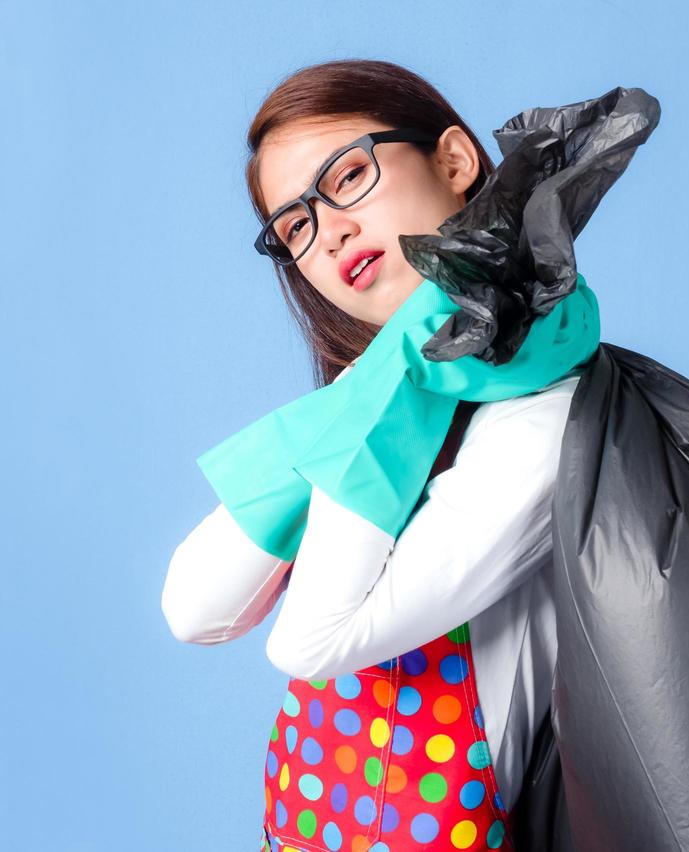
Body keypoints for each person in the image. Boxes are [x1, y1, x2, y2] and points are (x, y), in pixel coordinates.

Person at [161, 58, 592, 850]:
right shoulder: (370, 395)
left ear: (456, 162)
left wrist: (387, 386)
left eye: (348, 176)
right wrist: (372, 385)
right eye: (294, 226)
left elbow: (310, 642)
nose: (328, 234)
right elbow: (195, 608)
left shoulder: (542, 416)